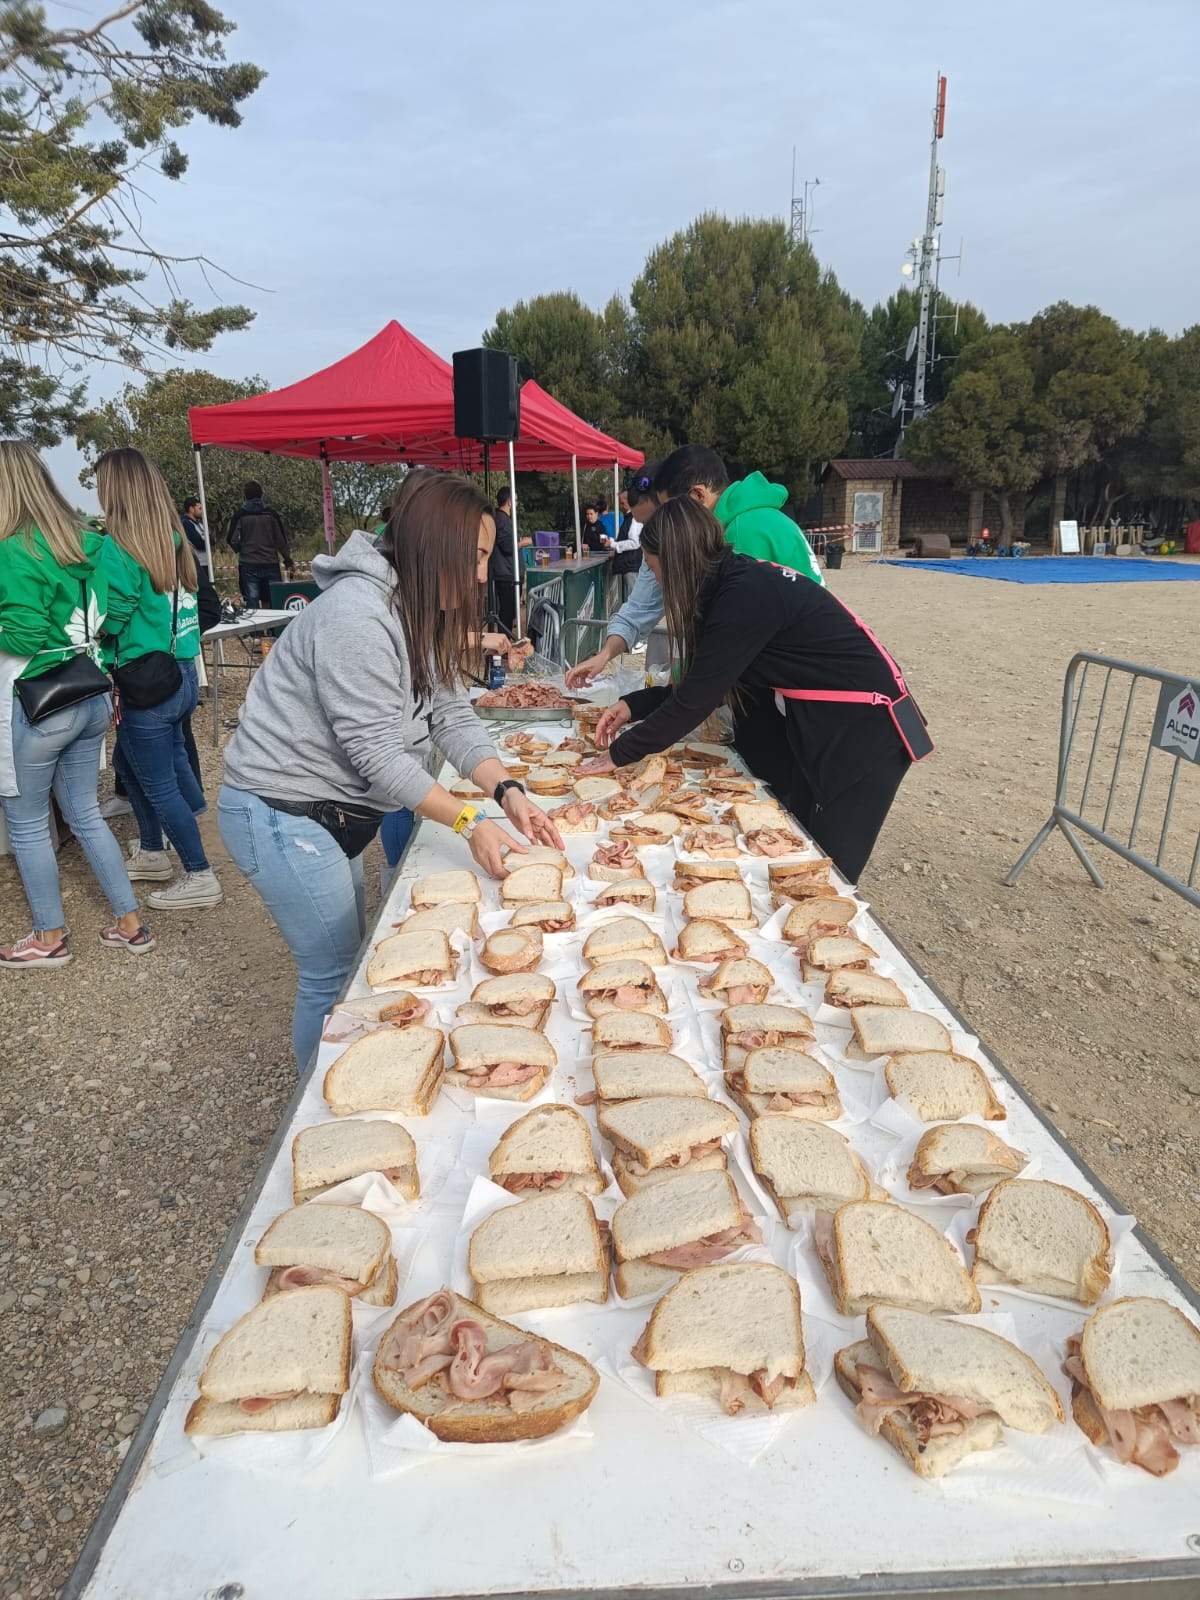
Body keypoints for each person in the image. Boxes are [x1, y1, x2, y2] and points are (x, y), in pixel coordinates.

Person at [216, 473, 565, 1070]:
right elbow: (375, 755)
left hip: (330, 812)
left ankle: (352, 1080)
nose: (484, 574)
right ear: (438, 544)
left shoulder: (421, 605)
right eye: (478, 556)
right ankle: (325, 1113)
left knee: (350, 965)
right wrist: (467, 820)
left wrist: (506, 789)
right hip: (281, 811)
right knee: (332, 978)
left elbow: (451, 713)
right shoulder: (358, 615)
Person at [576, 497, 923, 882]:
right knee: (796, 848)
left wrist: (620, 754)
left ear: (678, 562)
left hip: (867, 730)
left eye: (657, 571)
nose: (657, 582)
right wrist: (632, 704)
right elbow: (706, 683)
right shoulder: (730, 582)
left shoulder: (743, 595)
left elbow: (695, 702)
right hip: (829, 724)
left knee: (823, 875)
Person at [565, 446, 824, 795]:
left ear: (694, 500)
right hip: (786, 698)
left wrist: (628, 744)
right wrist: (644, 700)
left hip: (806, 706)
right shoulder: (732, 538)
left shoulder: (743, 540)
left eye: (663, 516)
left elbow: (708, 677)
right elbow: (650, 609)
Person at [0, 441, 153, 967]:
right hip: (88, 693)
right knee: (86, 812)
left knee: (26, 824)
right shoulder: (88, 541)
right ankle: (130, 922)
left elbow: (20, 634)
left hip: (40, 703)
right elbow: (106, 615)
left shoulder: (14, 548)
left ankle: (49, 938)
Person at [95, 447, 223, 911]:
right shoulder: (173, 538)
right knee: (134, 766)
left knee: (156, 783)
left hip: (146, 682)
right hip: (183, 672)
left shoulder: (118, 548)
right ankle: (152, 851)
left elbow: (108, 620)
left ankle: (199, 872)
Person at [226, 480, 293, 610]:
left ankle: (256, 630)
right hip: (271, 563)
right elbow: (281, 540)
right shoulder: (271, 514)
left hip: (249, 564)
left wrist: (241, 549)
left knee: (252, 602)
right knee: (274, 600)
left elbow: (231, 539)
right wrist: (287, 559)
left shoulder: (240, 515)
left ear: (245, 496)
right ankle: (274, 629)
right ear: (262, 495)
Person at [488, 484, 520, 632]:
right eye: (516, 500)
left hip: (504, 571)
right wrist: (522, 543)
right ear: (509, 502)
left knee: (508, 612)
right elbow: (508, 546)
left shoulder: (498, 518)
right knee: (507, 612)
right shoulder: (501, 520)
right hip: (505, 573)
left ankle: (504, 640)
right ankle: (504, 642)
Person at [603, 486, 644, 599]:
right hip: (629, 565)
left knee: (634, 599)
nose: (620, 506)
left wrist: (613, 544)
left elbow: (635, 542)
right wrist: (612, 542)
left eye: (622, 503)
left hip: (631, 566)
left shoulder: (634, 518)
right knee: (632, 598)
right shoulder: (630, 517)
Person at [181, 496, 211, 577]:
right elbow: (199, 543)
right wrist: (207, 541)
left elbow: (212, 540)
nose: (202, 511)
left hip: (205, 562)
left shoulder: (200, 524)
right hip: (196, 563)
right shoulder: (186, 524)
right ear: (191, 509)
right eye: (199, 508)